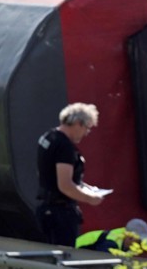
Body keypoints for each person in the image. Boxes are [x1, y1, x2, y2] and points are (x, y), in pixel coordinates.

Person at [36, 103, 106, 246]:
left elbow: (52, 175)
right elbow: (65, 185)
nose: (86, 133)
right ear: (78, 124)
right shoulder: (65, 147)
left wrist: (85, 186)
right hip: (60, 214)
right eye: (87, 128)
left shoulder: (48, 137)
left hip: (46, 209)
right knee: (63, 258)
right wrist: (90, 198)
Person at [76, 218, 147, 253]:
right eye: (139, 241)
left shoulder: (122, 243)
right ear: (130, 237)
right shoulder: (111, 243)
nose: (140, 245)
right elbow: (100, 264)